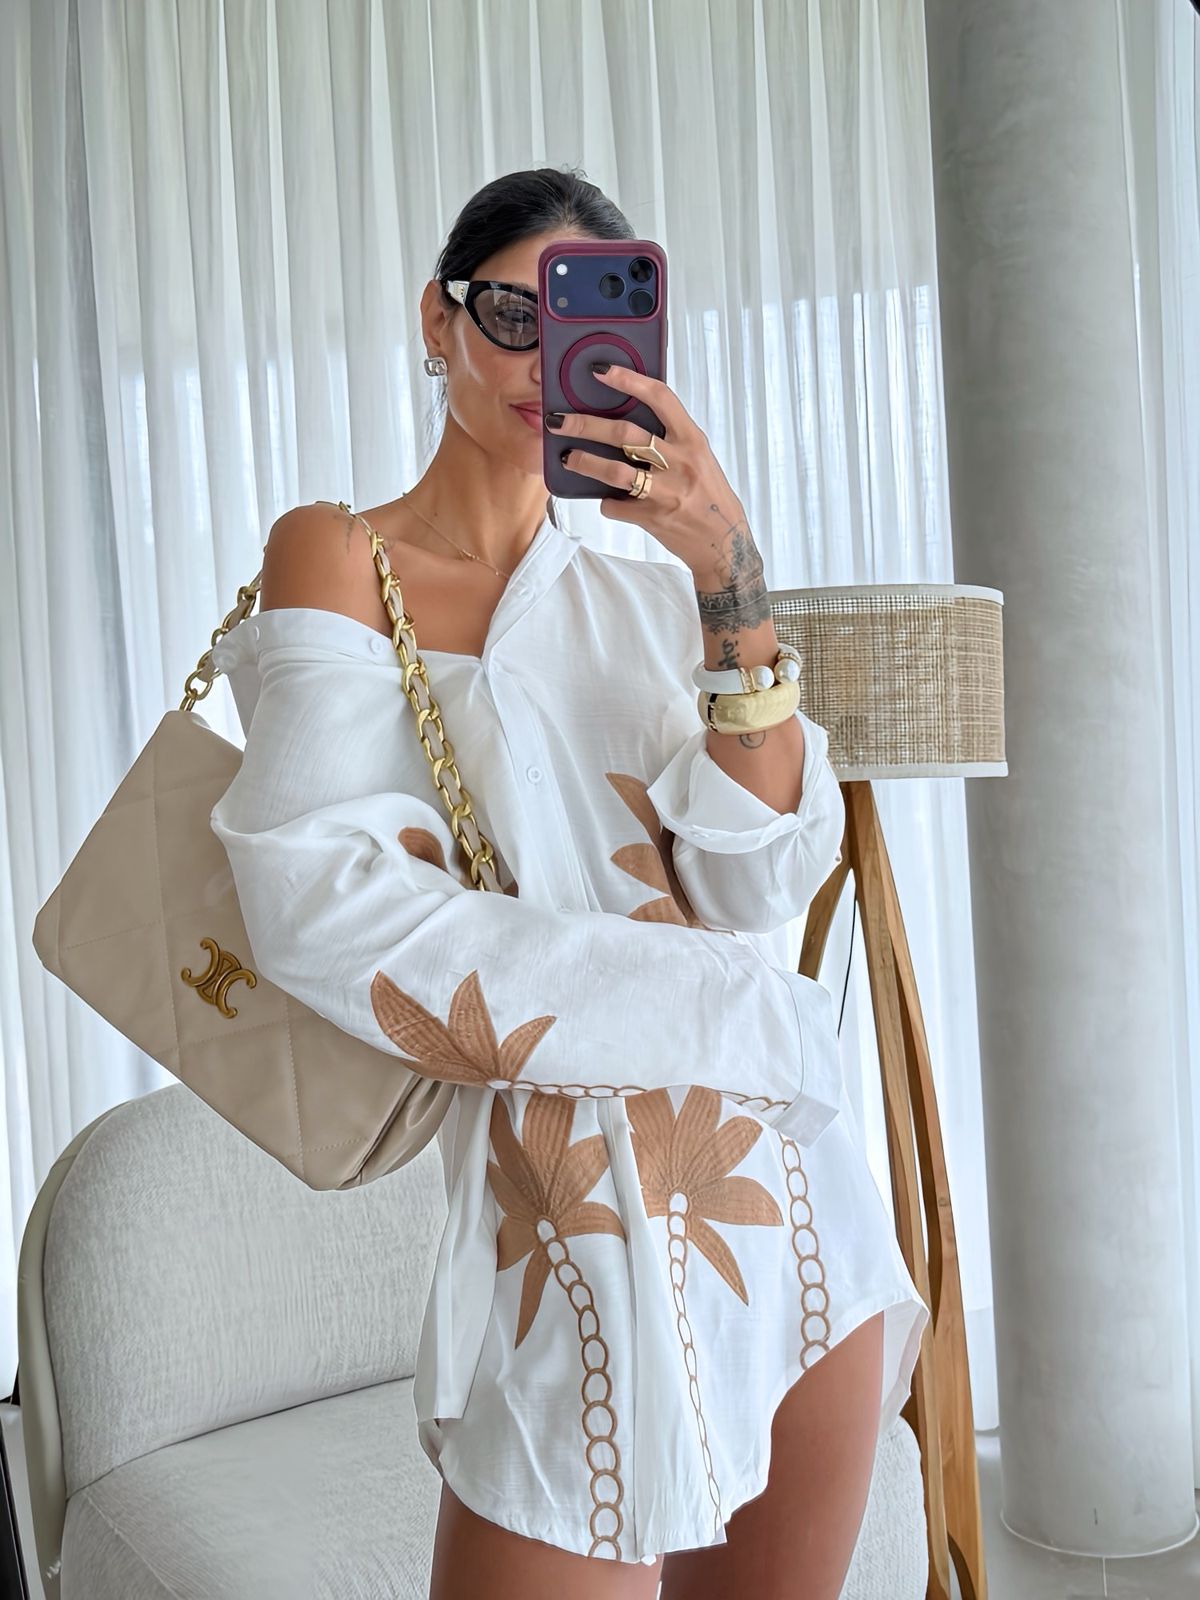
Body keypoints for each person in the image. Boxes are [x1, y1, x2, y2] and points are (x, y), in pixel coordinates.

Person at [209, 166, 929, 1600]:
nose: (548, 362)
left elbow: (750, 888)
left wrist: (728, 572)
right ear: (438, 319)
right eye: (510, 316)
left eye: (589, 326)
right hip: (563, 1230)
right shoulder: (338, 556)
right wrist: (726, 1006)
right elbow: (329, 914)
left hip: (783, 1205)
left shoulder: (649, 597)